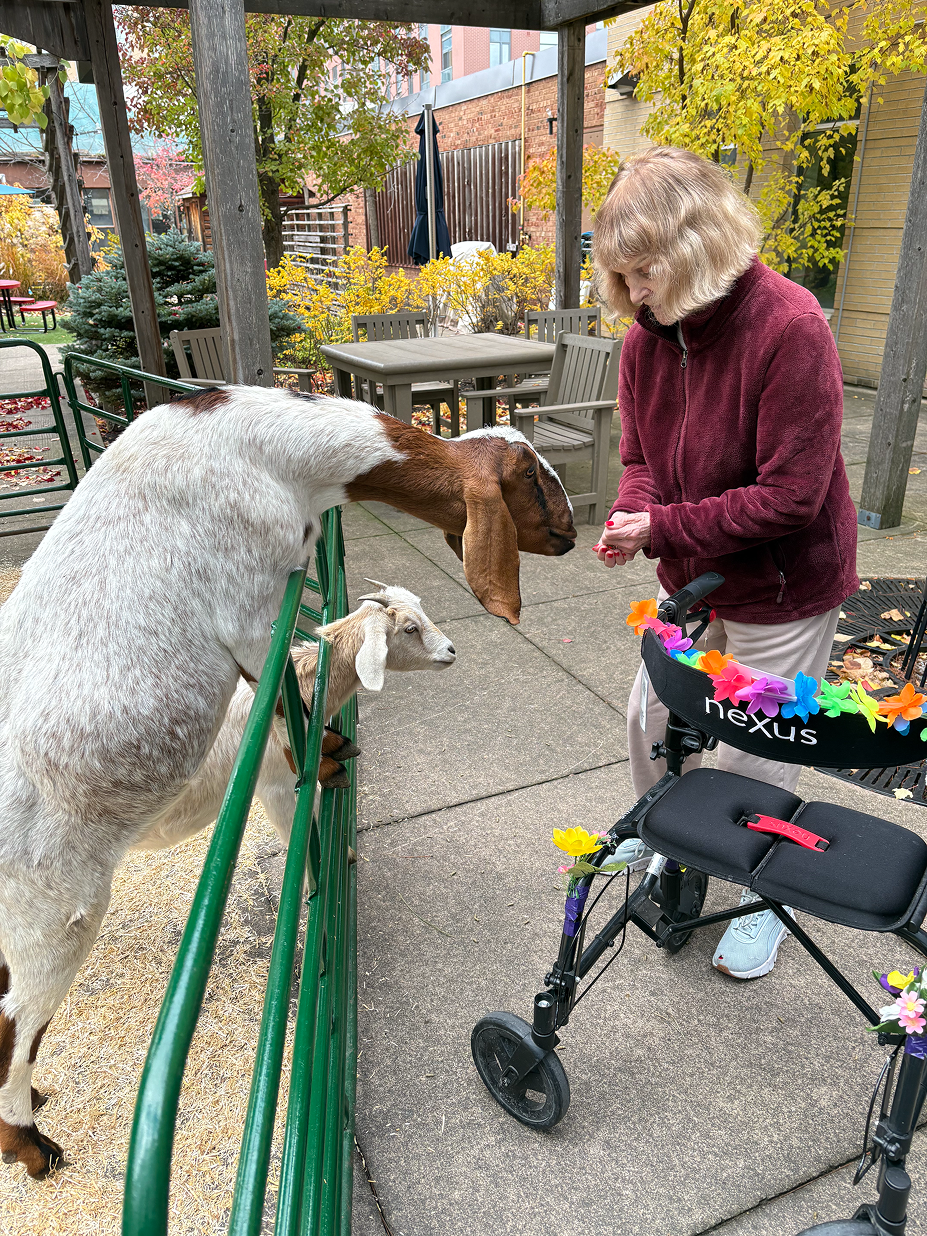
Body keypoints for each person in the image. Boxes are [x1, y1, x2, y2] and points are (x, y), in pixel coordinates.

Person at [592, 146, 859, 980]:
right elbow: (639, 456)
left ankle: (760, 899)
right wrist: (637, 514)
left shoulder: (789, 327)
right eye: (623, 275)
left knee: (752, 751)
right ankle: (659, 833)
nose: (634, 295)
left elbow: (790, 497)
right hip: (691, 576)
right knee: (649, 717)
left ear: (693, 247)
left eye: (644, 273)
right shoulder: (647, 340)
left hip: (782, 588)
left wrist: (663, 526)